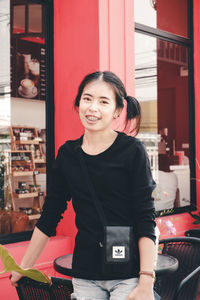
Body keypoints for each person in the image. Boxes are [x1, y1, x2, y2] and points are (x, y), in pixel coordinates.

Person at [10, 71, 159, 300]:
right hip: (85, 273)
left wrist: (146, 280)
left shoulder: (132, 151)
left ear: (117, 110)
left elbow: (145, 217)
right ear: (78, 102)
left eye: (103, 101)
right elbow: (50, 215)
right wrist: (24, 267)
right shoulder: (67, 154)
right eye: (87, 99)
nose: (92, 108)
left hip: (128, 273)